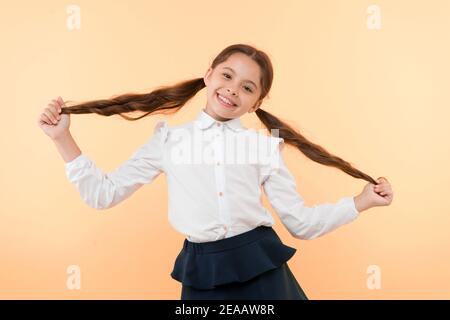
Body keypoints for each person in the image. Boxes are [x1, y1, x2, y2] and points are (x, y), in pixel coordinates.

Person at [37, 43, 394, 300]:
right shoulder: (169, 141)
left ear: (256, 102)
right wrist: (62, 138)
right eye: (227, 75)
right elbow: (103, 194)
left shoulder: (263, 147)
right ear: (208, 75)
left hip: (263, 269)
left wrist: (360, 202)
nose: (232, 90)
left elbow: (300, 223)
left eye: (247, 87)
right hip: (203, 273)